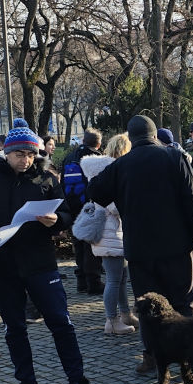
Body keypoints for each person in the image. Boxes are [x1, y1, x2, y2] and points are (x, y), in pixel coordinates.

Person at [0, 118, 100, 384]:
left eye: (31, 154)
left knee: (61, 322)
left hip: (40, 262)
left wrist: (56, 221)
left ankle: (77, 381)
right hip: (1, 262)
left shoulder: (46, 178)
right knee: (14, 327)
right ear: (6, 153)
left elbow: (67, 214)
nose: (26, 160)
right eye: (20, 154)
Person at [87, 114, 193, 372]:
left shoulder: (122, 165)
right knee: (183, 301)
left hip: (140, 249)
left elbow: (96, 190)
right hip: (177, 245)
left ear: (130, 138)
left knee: (148, 307)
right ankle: (187, 360)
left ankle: (150, 356)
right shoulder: (174, 157)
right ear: (155, 135)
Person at [80, 133, 138, 335]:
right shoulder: (111, 172)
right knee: (115, 278)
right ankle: (111, 321)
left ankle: (124, 314)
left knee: (120, 277)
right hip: (111, 232)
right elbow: (114, 204)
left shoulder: (101, 171)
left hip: (110, 231)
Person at [61, 128, 105, 294]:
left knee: (78, 244)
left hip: (71, 207)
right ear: (98, 143)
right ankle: (93, 282)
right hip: (89, 206)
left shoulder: (69, 158)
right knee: (91, 245)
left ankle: (81, 281)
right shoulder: (96, 159)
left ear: (82, 141)